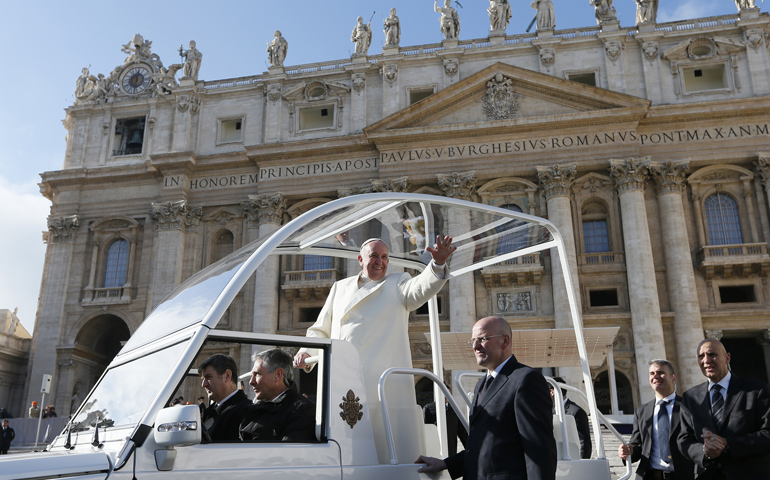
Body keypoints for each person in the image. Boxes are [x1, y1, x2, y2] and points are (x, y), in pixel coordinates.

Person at [294, 235, 455, 463]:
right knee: (347, 454)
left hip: (383, 384)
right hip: (345, 381)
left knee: (386, 452)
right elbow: (320, 330)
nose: (380, 262)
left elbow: (421, 289)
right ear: (361, 259)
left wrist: (437, 264)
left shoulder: (398, 283)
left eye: (384, 257)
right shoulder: (339, 288)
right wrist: (306, 352)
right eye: (374, 256)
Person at [416, 316, 557, 480]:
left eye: (482, 339)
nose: (475, 346)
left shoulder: (526, 379)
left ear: (505, 341)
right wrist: (446, 464)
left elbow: (539, 450)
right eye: (473, 341)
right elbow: (485, 447)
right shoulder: (481, 385)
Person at [677, 338, 770, 479]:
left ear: (727, 358)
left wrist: (727, 444)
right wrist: (704, 451)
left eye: (712, 354)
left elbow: (767, 433)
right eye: (701, 356)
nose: (706, 360)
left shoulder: (756, 390)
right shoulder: (690, 397)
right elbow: (684, 439)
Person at [619, 360, 694, 480]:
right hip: (650, 476)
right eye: (652, 373)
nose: (655, 376)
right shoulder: (642, 411)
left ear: (673, 378)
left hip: (682, 476)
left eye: (660, 372)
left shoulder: (689, 407)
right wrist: (627, 451)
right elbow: (637, 445)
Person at [239, 348, 315, 442]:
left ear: (278, 375)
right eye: (252, 376)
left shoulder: (302, 410)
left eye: (257, 374)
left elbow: (288, 453)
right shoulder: (254, 408)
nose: (251, 382)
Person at [199, 353, 251, 442]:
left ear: (227, 376)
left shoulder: (246, 412)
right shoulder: (208, 412)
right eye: (203, 379)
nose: (204, 384)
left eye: (208, 377)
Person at [550, 376, 591, 459]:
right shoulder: (550, 410)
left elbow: (584, 442)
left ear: (552, 392)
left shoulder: (576, 411)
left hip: (573, 462)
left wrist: (581, 463)